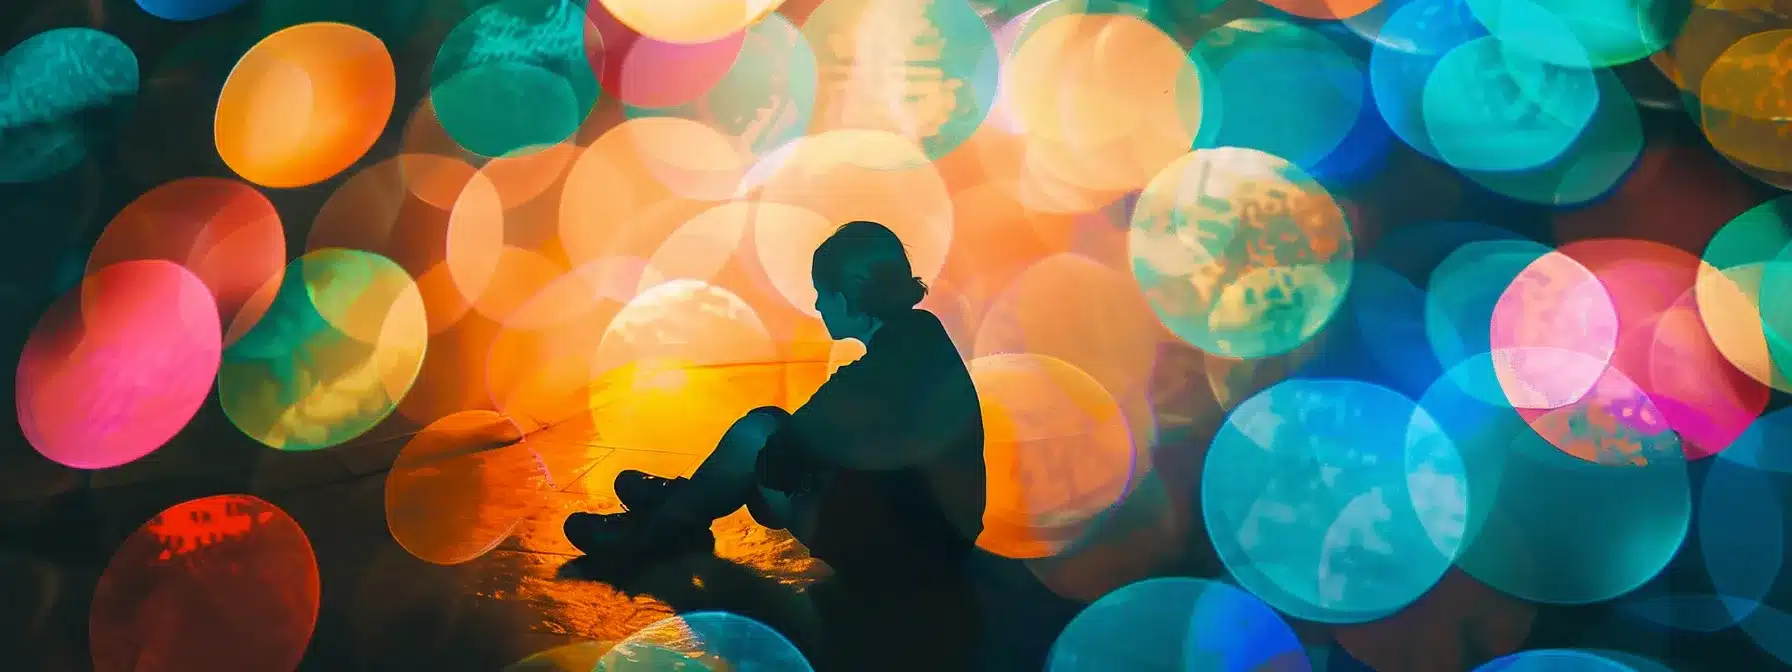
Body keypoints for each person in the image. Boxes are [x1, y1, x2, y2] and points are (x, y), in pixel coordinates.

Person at [563, 221, 987, 587]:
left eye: (823, 292)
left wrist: (756, 477)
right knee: (770, 437)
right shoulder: (922, 335)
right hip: (945, 542)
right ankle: (684, 506)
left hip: (901, 558)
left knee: (757, 434)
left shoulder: (870, 378)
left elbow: (776, 463)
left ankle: (661, 530)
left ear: (848, 297)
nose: (819, 304)